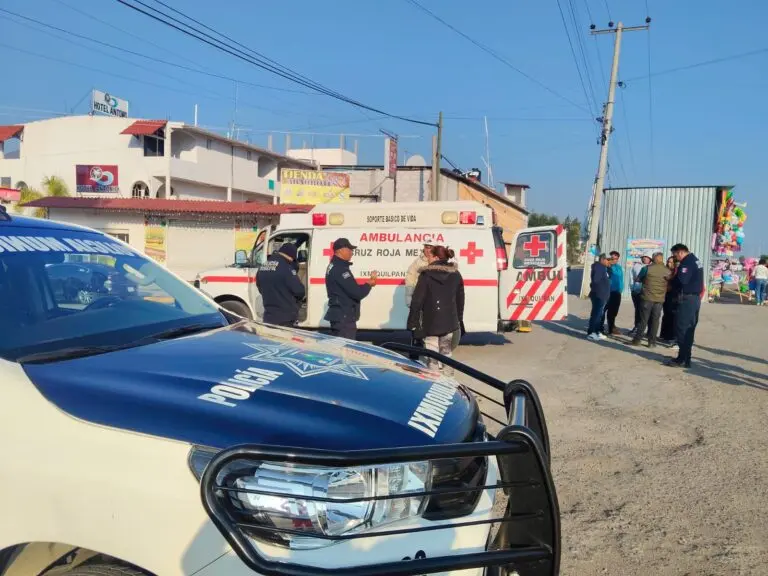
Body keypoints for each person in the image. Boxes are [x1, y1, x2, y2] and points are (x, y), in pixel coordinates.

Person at [407, 245, 465, 372]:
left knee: (431, 355)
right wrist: (459, 319)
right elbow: (460, 299)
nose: (427, 258)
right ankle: (449, 378)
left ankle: (434, 378)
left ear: (436, 257)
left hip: (430, 321)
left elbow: (417, 300)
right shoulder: (456, 274)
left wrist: (413, 322)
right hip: (449, 321)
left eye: (430, 256)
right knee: (446, 352)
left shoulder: (426, 275)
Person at [324, 237, 376, 340]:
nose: (352, 253)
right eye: (349, 249)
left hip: (340, 315)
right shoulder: (340, 269)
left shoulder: (335, 265)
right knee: (345, 348)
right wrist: (369, 284)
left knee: (339, 346)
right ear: (340, 250)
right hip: (344, 317)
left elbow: (349, 288)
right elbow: (357, 293)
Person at [666, 243, 704, 368]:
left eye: (675, 255)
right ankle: (686, 358)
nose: (675, 258)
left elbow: (682, 280)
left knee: (681, 329)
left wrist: (671, 280)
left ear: (680, 252)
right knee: (689, 330)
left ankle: (682, 359)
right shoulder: (695, 260)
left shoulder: (687, 262)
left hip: (686, 299)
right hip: (694, 298)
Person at [255, 243, 305, 327]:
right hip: (286, 318)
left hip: (268, 317)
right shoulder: (286, 268)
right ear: (291, 256)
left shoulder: (263, 266)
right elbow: (299, 291)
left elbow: (259, 287)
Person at [631, 252, 670, 347]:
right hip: (659, 299)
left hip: (647, 298)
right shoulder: (667, 270)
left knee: (643, 320)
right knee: (655, 320)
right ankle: (652, 342)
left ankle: (637, 340)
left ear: (653, 259)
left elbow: (638, 279)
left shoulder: (646, 268)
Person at [587, 254, 611, 341]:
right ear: (602, 259)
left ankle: (597, 331)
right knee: (596, 314)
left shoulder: (603, 268)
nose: (609, 262)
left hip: (602, 295)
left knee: (599, 315)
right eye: (608, 260)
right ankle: (591, 332)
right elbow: (595, 281)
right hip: (599, 295)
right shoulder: (599, 267)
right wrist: (600, 289)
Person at [629, 255, 652, 335]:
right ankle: (637, 327)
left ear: (650, 259)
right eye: (643, 257)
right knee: (638, 310)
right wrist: (632, 288)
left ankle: (650, 330)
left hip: (648, 293)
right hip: (637, 292)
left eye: (647, 257)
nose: (645, 258)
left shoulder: (652, 267)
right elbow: (631, 278)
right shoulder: (636, 266)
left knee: (648, 311)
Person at [604, 250, 624, 335]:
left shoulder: (619, 267)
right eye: (612, 258)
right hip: (608, 292)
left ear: (618, 259)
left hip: (617, 293)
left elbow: (621, 279)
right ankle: (599, 328)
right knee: (603, 310)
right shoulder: (607, 267)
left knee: (613, 311)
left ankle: (611, 328)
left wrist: (621, 289)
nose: (613, 260)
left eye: (615, 258)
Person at [659, 256, 678, 344]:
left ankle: (670, 335)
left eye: (670, 262)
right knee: (666, 314)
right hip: (665, 295)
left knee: (671, 315)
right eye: (667, 261)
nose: (668, 263)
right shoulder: (665, 271)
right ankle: (664, 334)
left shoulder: (676, 272)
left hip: (672, 295)